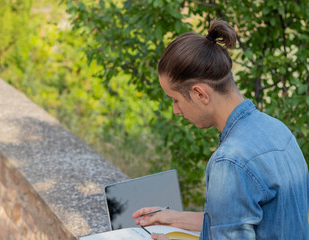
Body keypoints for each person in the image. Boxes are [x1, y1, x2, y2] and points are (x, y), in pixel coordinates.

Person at [132, 19, 309, 239]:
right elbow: (250, 221)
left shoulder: (230, 162)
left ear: (200, 94)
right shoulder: (277, 131)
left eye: (175, 99)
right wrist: (174, 218)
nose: (176, 110)